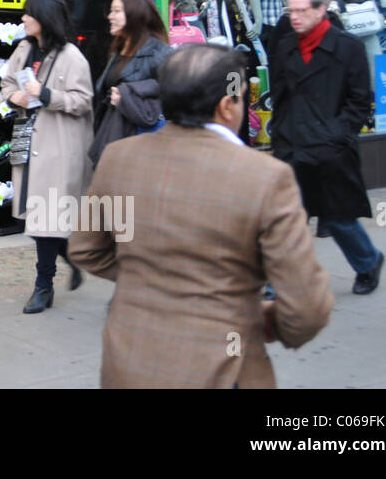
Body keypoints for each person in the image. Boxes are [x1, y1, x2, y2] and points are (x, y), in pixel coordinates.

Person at [69, 44, 334, 388]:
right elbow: (307, 308)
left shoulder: (119, 157)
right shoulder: (266, 176)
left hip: (131, 360)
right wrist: (266, 321)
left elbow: (85, 249)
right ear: (227, 106)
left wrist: (150, 276)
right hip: (223, 368)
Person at [270, 0, 384, 295]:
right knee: (285, 219)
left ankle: (368, 262)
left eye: (300, 11)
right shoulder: (285, 46)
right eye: (290, 11)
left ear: (320, 10)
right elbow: (279, 97)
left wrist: (338, 133)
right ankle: (274, 282)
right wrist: (280, 134)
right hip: (292, 144)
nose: (293, 17)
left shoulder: (348, 47)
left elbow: (360, 100)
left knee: (338, 219)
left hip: (330, 148)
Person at [0, 0, 94, 313]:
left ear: (44, 20)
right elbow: (7, 83)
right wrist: (15, 97)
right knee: (42, 218)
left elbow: (83, 102)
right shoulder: (24, 48)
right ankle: (70, 257)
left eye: (28, 14)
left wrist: (48, 94)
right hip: (28, 139)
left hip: (58, 146)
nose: (22, 19)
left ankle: (43, 286)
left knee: (44, 218)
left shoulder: (72, 57)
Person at [88, 0, 171, 166]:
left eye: (117, 11)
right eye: (111, 11)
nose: (110, 16)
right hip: (113, 136)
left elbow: (173, 95)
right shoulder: (118, 49)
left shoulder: (159, 53)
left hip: (140, 147)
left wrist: (128, 98)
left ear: (135, 15)